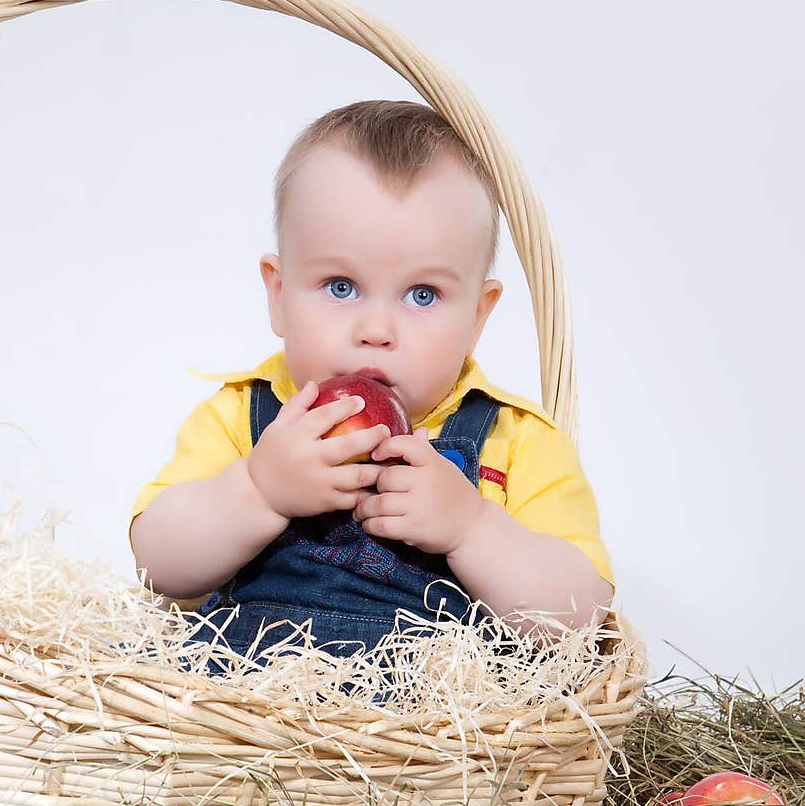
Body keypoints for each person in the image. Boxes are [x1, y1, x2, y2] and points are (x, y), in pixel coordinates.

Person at [128, 100, 615, 672]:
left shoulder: (520, 439)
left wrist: (472, 528)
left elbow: (582, 623)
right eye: (340, 287)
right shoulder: (242, 416)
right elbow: (155, 567)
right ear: (278, 295)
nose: (377, 331)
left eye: (423, 295)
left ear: (477, 319)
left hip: (430, 732)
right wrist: (258, 490)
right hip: (244, 709)